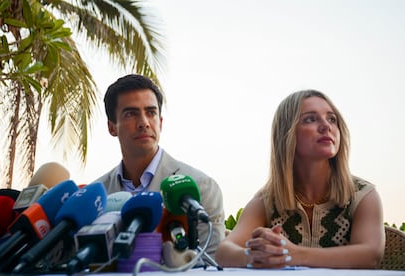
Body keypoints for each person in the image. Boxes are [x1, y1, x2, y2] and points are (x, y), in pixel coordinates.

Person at [215, 90, 385, 269]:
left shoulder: (363, 195)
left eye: (332, 119)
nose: (326, 126)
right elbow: (224, 252)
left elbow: (370, 255)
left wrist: (294, 255)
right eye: (310, 119)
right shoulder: (266, 200)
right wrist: (253, 256)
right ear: (286, 133)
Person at [94, 74, 225, 258]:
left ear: (160, 123)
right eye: (131, 114)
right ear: (112, 127)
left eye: (151, 112)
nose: (144, 123)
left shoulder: (200, 187)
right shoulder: (97, 196)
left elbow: (211, 263)